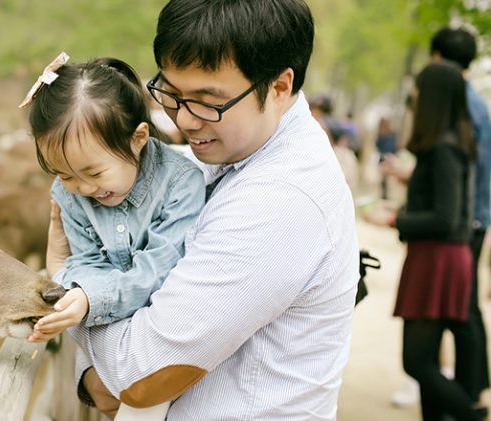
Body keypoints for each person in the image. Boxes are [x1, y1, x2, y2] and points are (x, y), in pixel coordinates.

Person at [43, 0, 360, 418]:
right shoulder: (226, 153)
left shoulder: (279, 200)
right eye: (171, 93)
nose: (185, 120)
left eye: (207, 100)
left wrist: (67, 283)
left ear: (280, 87)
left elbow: (136, 378)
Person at [19, 54, 206, 417]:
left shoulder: (182, 185)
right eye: (65, 174)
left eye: (93, 172)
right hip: (109, 334)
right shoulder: (68, 194)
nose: (83, 188)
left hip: (165, 336)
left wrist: (87, 297)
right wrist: (78, 288)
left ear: (138, 138)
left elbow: (159, 271)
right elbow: (85, 259)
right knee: (110, 396)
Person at [381, 62, 481, 420]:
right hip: (437, 256)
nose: (415, 98)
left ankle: (471, 414)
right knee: (426, 361)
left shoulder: (444, 147)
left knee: (417, 362)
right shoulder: (448, 143)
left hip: (439, 259)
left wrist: (396, 218)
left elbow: (445, 217)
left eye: (420, 91)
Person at [431, 27, 491, 403]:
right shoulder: (478, 102)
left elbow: (461, 168)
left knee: (459, 306)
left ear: (437, 56)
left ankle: (466, 393)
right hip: (475, 215)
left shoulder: (457, 101)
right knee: (464, 305)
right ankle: (472, 388)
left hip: (460, 219)